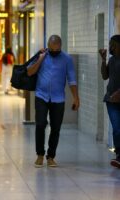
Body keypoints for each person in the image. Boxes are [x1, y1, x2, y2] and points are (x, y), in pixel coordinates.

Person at [27, 35, 80, 168]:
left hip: (58, 98)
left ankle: (51, 156)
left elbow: (72, 79)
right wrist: (40, 59)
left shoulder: (66, 59)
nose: (54, 52)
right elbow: (29, 72)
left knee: (56, 128)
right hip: (41, 96)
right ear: (48, 46)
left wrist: (76, 97)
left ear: (60, 47)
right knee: (40, 125)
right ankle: (40, 155)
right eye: (51, 49)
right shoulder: (41, 55)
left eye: (57, 50)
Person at [99, 35, 120, 168]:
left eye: (113, 44)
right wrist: (103, 60)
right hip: (111, 100)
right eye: (110, 44)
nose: (110, 47)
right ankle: (119, 155)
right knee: (117, 128)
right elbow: (105, 76)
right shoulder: (112, 60)